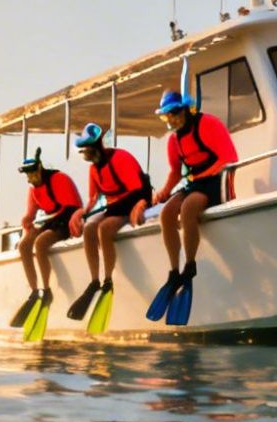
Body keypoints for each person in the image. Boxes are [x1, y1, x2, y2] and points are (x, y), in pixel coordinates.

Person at [148, 89, 237, 327]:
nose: (172, 119)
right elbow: (176, 171)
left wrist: (206, 176)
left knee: (188, 208)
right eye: (167, 116)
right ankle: (174, 271)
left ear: (186, 109)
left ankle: (190, 266)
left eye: (175, 113)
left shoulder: (207, 123)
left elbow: (229, 157)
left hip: (214, 180)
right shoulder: (174, 140)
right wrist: (164, 192)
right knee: (167, 212)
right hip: (195, 182)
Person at [64, 123, 151, 328]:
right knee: (89, 228)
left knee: (104, 228)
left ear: (96, 147)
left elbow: (138, 189)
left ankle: (108, 278)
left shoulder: (120, 158)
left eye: (86, 150)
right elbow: (94, 197)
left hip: (132, 202)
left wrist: (140, 204)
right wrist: (81, 213)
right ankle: (94, 280)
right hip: (113, 207)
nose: (85, 155)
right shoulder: (94, 169)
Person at [8, 148, 82, 339]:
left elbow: (72, 207)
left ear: (39, 169)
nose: (30, 177)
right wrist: (27, 221)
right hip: (51, 221)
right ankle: (34, 291)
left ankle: (47, 290)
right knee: (24, 245)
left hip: (67, 220)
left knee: (40, 243)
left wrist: (45, 225)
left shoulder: (59, 179)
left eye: (32, 172)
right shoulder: (33, 189)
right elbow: (31, 214)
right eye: (27, 174)